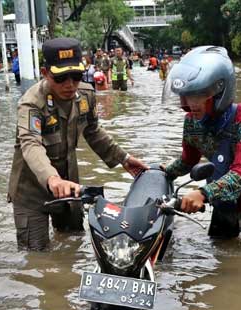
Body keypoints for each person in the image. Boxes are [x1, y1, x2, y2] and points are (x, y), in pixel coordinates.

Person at [8, 38, 148, 251]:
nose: (70, 84)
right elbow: (30, 144)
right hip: (31, 190)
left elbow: (93, 131)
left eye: (76, 76)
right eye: (61, 77)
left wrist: (124, 158)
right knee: (35, 255)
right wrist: (52, 179)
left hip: (69, 183)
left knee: (73, 242)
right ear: (45, 73)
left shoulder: (85, 95)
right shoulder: (32, 104)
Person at [163, 46, 241, 247]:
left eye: (195, 96)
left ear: (219, 92)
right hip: (223, 202)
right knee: (220, 252)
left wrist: (203, 193)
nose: (187, 104)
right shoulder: (192, 122)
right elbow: (188, 160)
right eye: (184, 96)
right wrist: (163, 172)